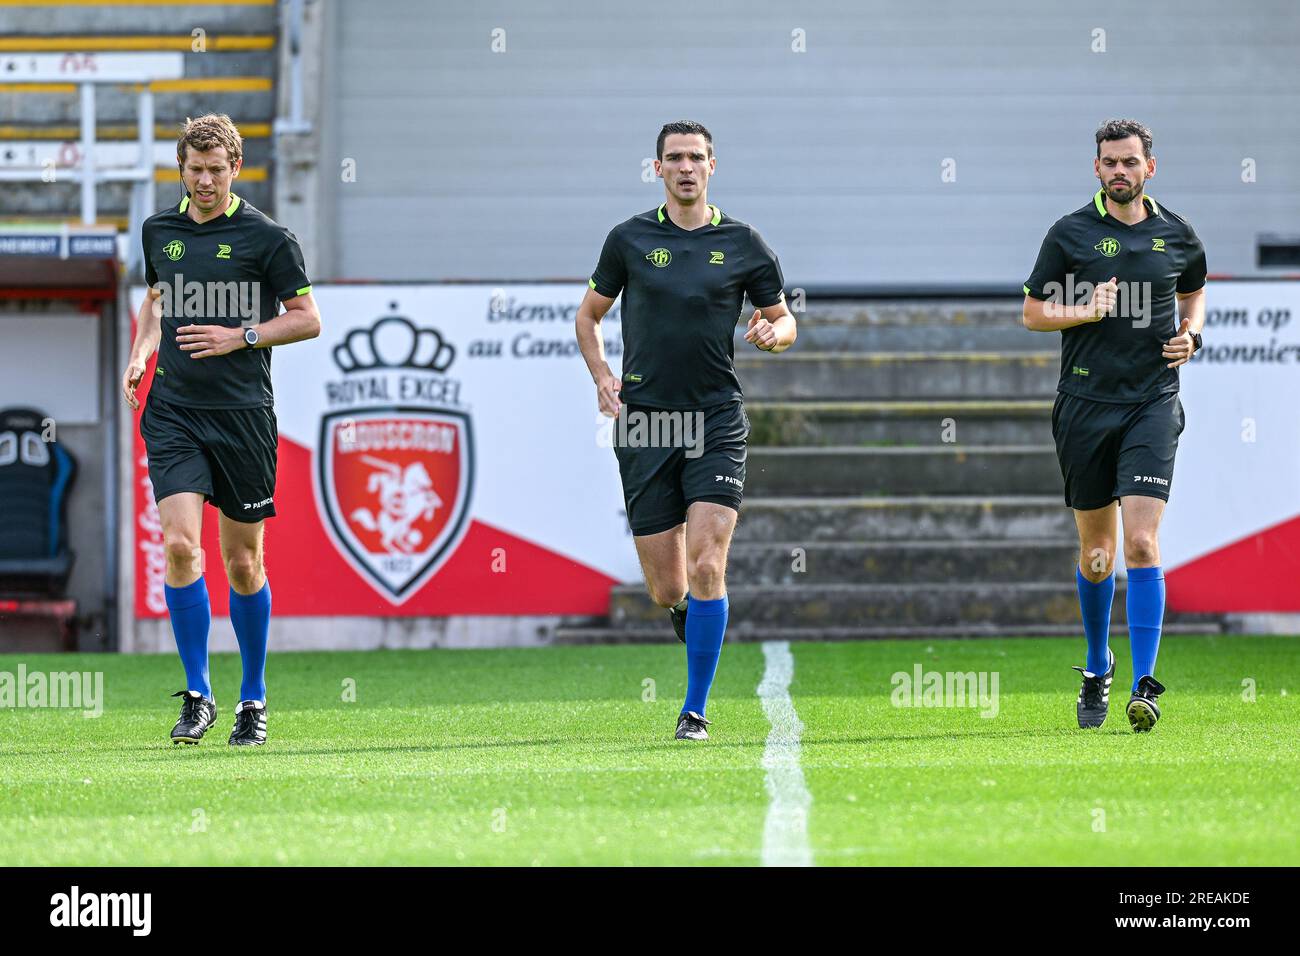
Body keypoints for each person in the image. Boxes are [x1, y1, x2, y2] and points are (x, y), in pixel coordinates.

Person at [576, 120, 796, 740]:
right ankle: (683, 612)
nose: (685, 168)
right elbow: (588, 317)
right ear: (658, 169)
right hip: (646, 423)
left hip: (715, 419)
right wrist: (601, 377)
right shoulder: (629, 239)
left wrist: (771, 335)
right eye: (674, 158)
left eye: (696, 157)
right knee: (666, 584)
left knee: (706, 564)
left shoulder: (745, 242)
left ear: (712, 166)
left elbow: (783, 321)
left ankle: (694, 709)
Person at [122, 113, 321, 745]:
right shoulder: (160, 231)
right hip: (174, 413)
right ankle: (198, 694)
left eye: (215, 170)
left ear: (235, 169)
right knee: (181, 548)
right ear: (180, 169)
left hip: (242, 420)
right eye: (194, 169)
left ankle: (253, 699)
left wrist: (241, 336)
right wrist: (139, 353)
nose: (204, 181)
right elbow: (156, 302)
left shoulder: (268, 239)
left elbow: (308, 319)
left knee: (242, 562)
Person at [1022, 119, 1207, 733]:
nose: (1120, 172)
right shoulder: (1070, 234)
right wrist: (1083, 309)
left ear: (1150, 167)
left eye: (1130, 162)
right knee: (1099, 555)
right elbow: (1031, 314)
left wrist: (1192, 335)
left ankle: (1143, 684)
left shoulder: (1176, 233)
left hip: (1152, 402)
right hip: (1084, 406)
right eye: (1109, 163)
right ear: (1096, 168)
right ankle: (1098, 663)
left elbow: (1194, 291)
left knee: (1142, 544)